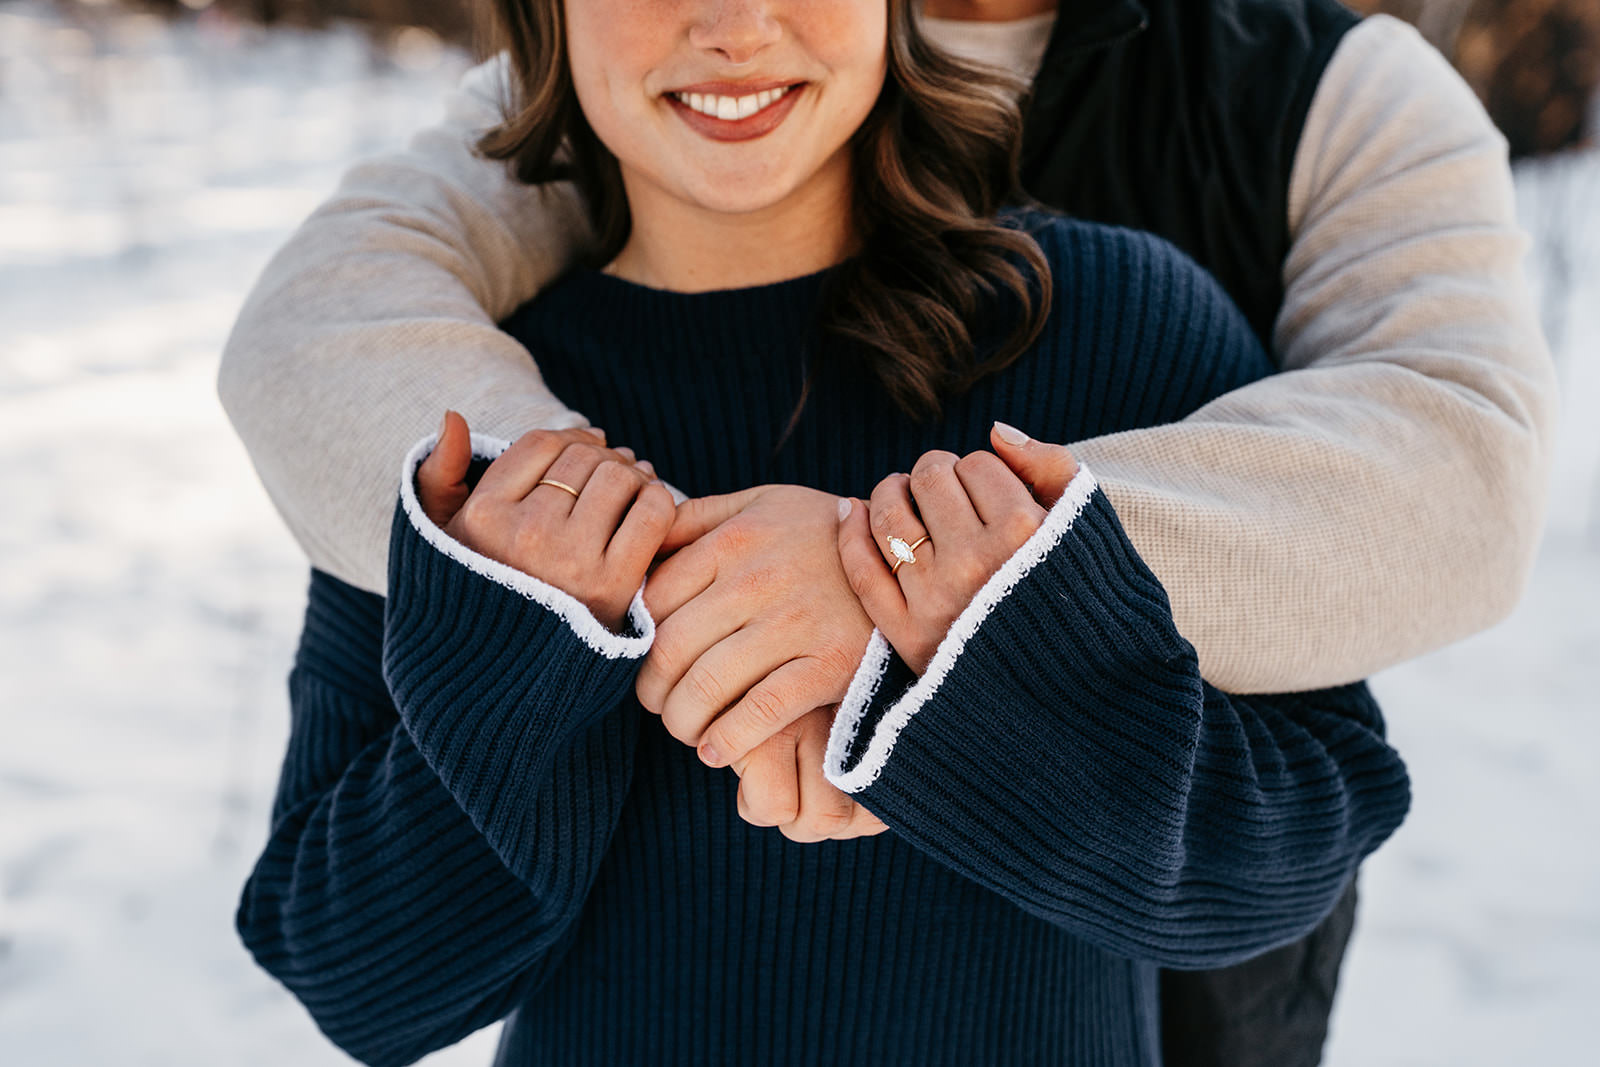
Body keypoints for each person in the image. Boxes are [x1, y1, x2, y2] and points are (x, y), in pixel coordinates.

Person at [220, 1, 1555, 1063]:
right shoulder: (479, 422)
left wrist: (960, 662)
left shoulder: (1119, 321)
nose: (733, 22)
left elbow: (1297, 841)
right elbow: (352, 977)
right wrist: (537, 647)